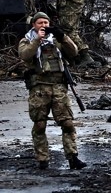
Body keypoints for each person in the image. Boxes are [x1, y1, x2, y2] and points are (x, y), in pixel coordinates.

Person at [18, 12, 87, 170]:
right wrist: (37, 40)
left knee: (67, 123)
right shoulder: (27, 40)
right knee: (40, 124)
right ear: (34, 25)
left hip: (58, 86)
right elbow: (25, 55)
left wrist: (63, 37)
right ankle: (43, 159)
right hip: (39, 88)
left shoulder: (56, 40)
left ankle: (72, 157)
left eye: (46, 23)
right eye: (40, 23)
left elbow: (74, 52)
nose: (44, 26)